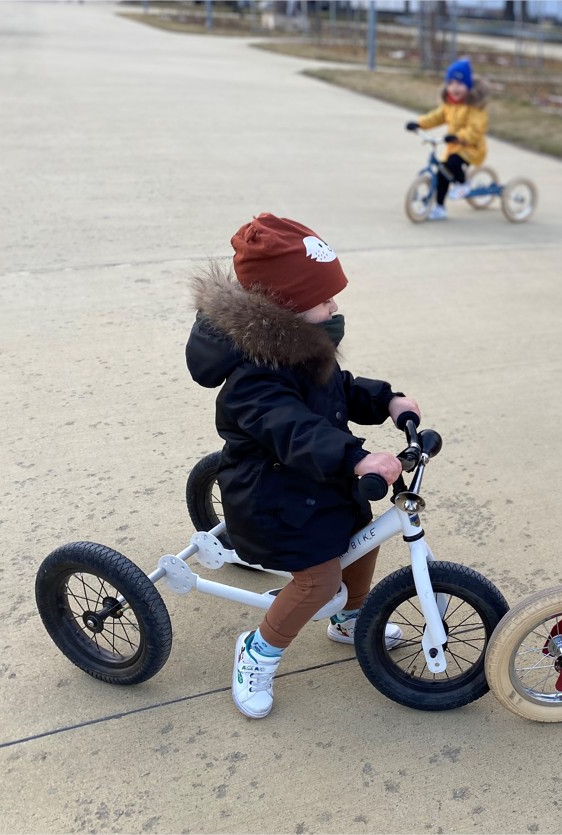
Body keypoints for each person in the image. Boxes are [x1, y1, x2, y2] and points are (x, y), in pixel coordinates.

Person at [186, 212, 420, 718]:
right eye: (324, 298)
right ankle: (258, 651)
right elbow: (294, 429)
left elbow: (339, 389)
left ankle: (350, 618)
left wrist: (387, 400)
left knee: (363, 541)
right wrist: (356, 458)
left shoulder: (303, 348)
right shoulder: (255, 379)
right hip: (275, 498)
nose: (334, 305)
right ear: (286, 308)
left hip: (319, 482)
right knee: (317, 580)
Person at [404, 57, 489, 222]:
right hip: (454, 146)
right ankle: (439, 208)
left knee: (453, 162)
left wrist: (459, 137)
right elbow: (436, 117)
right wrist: (419, 123)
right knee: (442, 175)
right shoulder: (449, 105)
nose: (454, 88)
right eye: (451, 83)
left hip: (472, 147)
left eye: (459, 84)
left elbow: (476, 129)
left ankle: (463, 184)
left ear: (468, 86)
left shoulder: (475, 108)